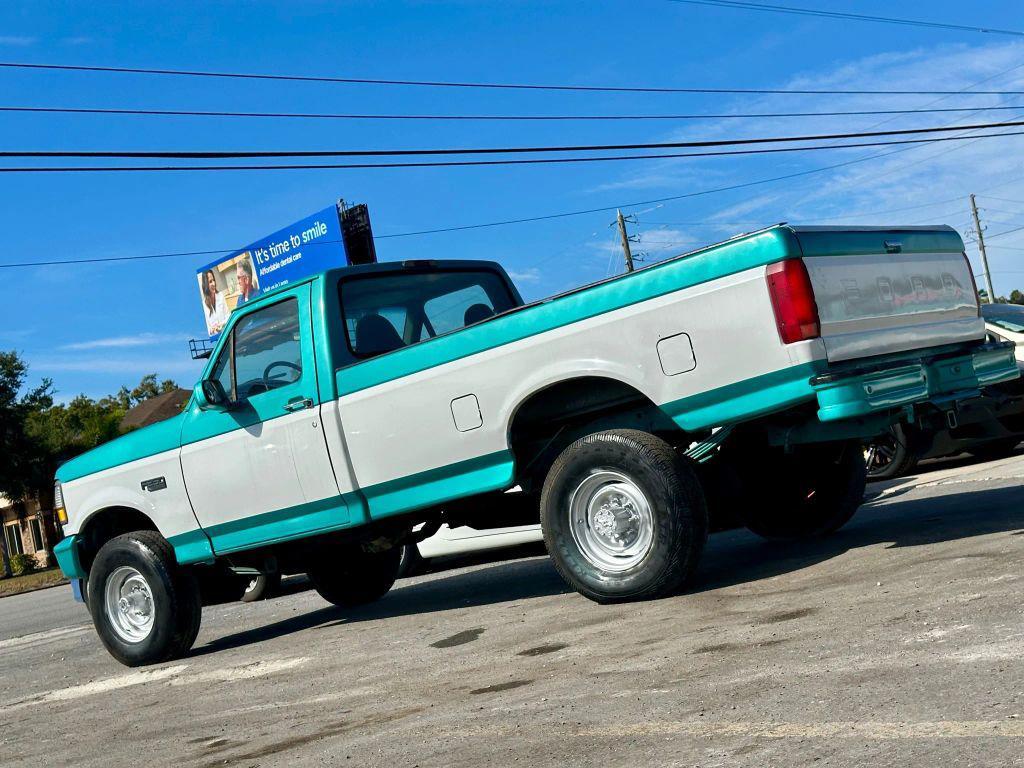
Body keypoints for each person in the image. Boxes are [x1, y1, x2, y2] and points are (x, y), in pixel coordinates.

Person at [200, 269, 228, 335]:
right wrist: (211, 330)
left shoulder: (220, 296)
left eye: (213, 280)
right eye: (210, 282)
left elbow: (228, 316)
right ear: (206, 285)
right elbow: (207, 329)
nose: (213, 283)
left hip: (225, 334)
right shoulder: (203, 305)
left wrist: (221, 325)